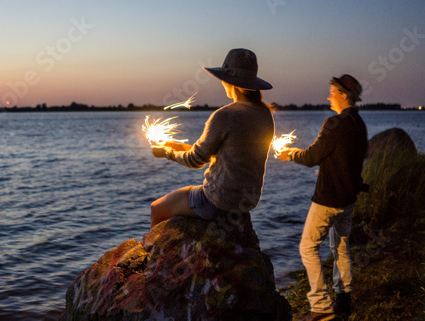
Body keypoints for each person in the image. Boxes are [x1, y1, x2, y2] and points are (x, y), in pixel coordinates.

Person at [150, 48, 274, 228]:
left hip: (217, 202)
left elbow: (196, 161)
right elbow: (223, 153)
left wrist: (168, 153)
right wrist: (176, 146)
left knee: (156, 208)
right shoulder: (264, 114)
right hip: (247, 202)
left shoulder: (225, 115)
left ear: (231, 82)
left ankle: (154, 254)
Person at [278, 74, 368, 321]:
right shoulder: (359, 124)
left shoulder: (334, 124)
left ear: (343, 94)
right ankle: (344, 299)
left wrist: (290, 154)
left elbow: (311, 157)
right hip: (349, 199)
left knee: (307, 247)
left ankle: (320, 306)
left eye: (331, 92)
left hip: (328, 200)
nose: (328, 96)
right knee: (340, 247)